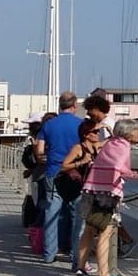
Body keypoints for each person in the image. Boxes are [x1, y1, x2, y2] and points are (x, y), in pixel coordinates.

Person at [76, 119, 138, 276]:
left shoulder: (111, 142)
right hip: (107, 193)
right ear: (128, 133)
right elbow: (119, 166)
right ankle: (103, 274)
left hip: (92, 188)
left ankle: (81, 267)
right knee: (105, 232)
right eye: (137, 131)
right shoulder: (124, 146)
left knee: (89, 230)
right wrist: (135, 176)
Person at [85, 90, 135, 259]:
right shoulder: (101, 125)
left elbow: (112, 148)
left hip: (109, 179)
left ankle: (124, 241)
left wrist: (95, 144)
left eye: (90, 110)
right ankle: (114, 245)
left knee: (108, 214)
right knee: (106, 214)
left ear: (97, 109)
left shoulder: (109, 125)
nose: (88, 113)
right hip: (104, 177)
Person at [35, 92, 82, 264]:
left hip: (53, 172)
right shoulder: (81, 125)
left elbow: (39, 152)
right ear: (74, 105)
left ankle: (49, 254)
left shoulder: (48, 125)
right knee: (77, 215)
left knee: (51, 213)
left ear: (60, 105)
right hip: (76, 173)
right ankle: (77, 257)